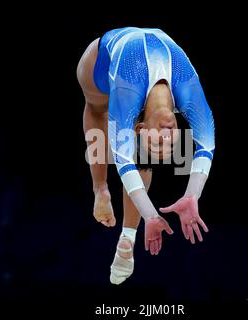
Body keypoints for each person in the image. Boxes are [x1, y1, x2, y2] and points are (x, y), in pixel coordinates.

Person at [76, 27, 215, 284]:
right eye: (169, 145)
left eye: (156, 144)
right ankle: (104, 195)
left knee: (105, 118)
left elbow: (123, 159)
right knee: (98, 110)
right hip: (109, 61)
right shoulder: (187, 91)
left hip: (102, 60)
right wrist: (192, 195)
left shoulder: (128, 94)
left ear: (139, 128)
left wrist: (151, 216)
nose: (165, 140)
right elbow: (207, 145)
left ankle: (123, 228)